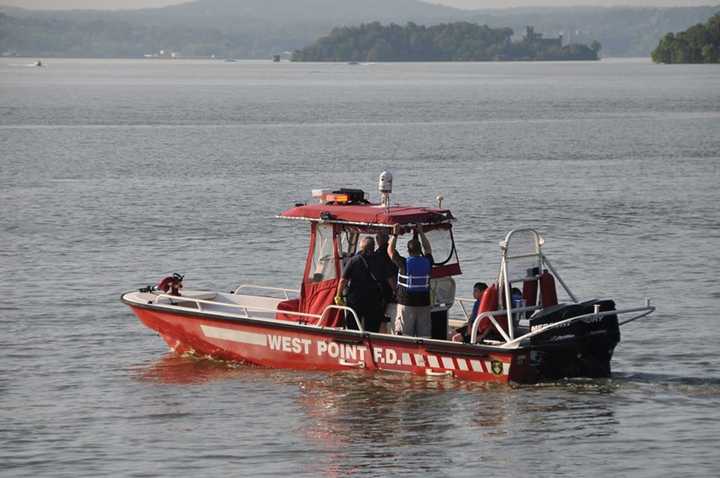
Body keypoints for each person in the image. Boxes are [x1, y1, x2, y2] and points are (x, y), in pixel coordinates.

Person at [388, 224, 434, 337]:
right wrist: (421, 233)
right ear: (420, 250)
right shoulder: (428, 261)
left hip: (406, 302)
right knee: (424, 336)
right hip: (424, 303)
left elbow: (390, 250)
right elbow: (428, 248)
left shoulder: (403, 264)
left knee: (404, 334)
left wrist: (395, 234)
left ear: (408, 250)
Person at [335, 236, 385, 332]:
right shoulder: (379, 260)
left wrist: (338, 295)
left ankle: (354, 343)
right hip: (373, 299)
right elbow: (387, 277)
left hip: (355, 300)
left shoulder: (354, 260)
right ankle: (371, 344)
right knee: (372, 328)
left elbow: (343, 280)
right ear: (373, 247)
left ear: (361, 247)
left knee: (353, 326)